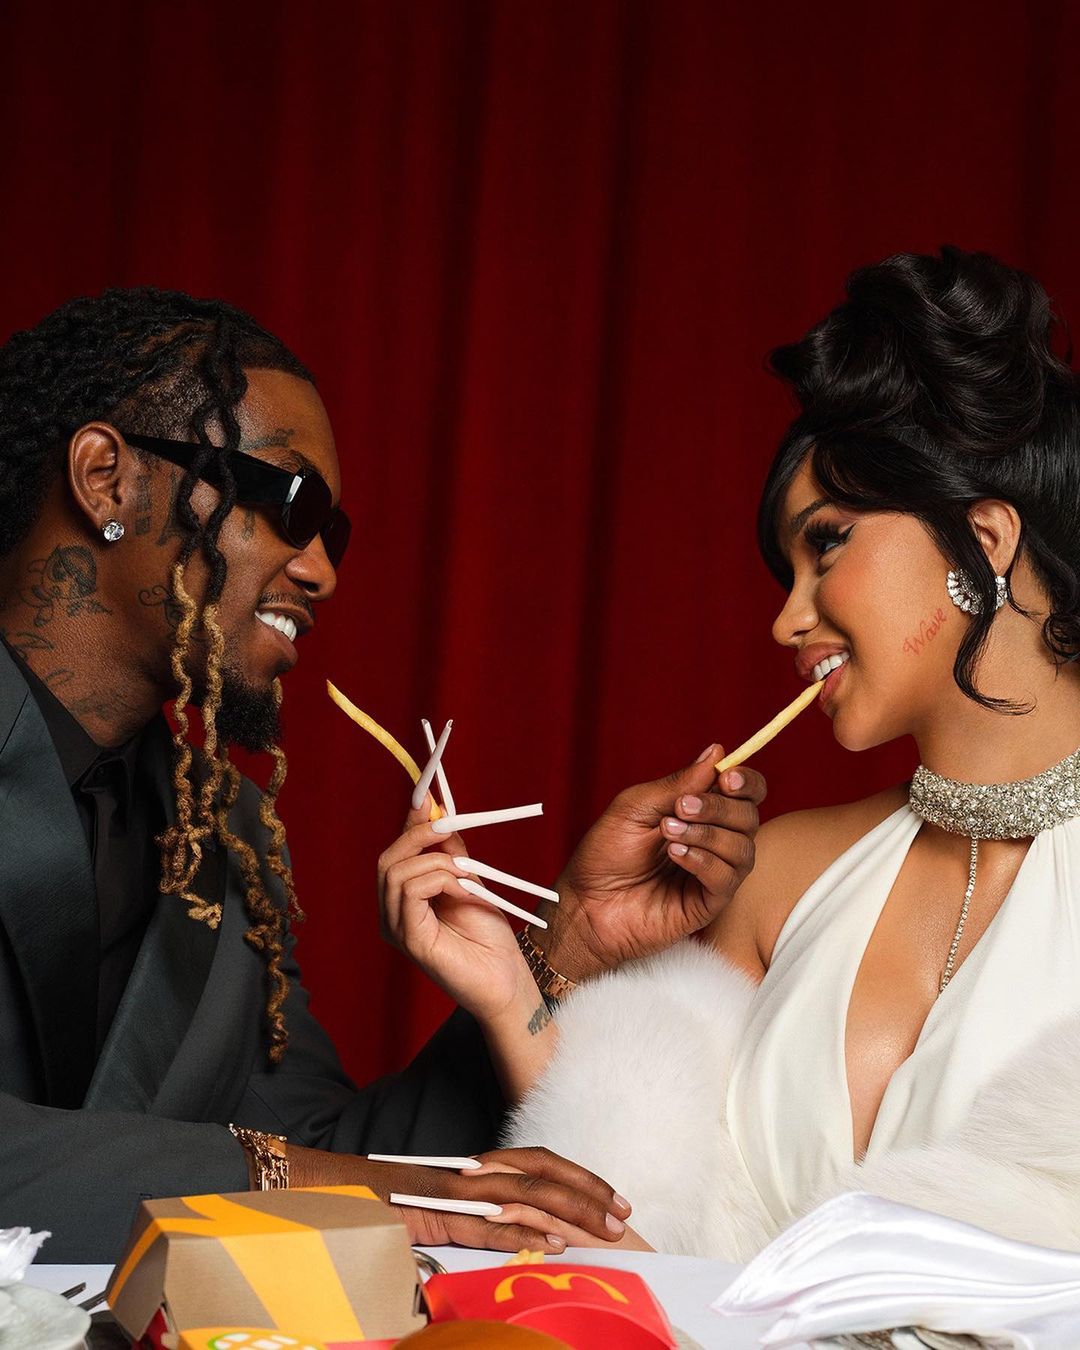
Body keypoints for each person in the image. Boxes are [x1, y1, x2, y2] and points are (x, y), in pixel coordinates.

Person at [2, 288, 761, 1261]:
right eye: (290, 506)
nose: (321, 569)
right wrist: (323, 1186)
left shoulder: (226, 838)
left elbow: (332, 1151)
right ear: (106, 480)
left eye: (335, 533)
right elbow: (318, 1179)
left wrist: (565, 944)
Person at [380, 246, 1080, 1259]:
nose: (788, 619)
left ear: (987, 538)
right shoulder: (781, 877)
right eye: (785, 572)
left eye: (827, 543)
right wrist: (515, 994)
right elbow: (639, 1246)